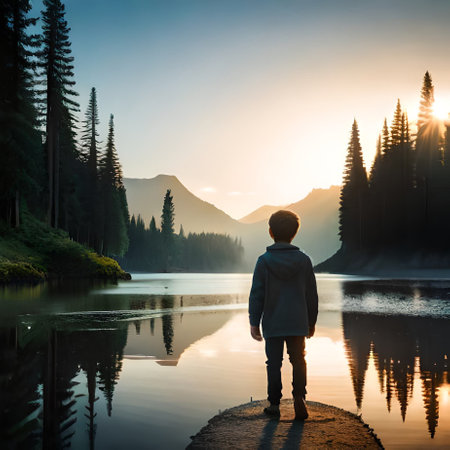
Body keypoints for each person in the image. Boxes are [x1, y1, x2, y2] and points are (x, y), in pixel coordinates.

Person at [248, 210, 318, 420]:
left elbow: (256, 295)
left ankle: (274, 404)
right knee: (298, 360)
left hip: (273, 322)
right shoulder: (304, 261)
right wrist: (311, 322)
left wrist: (254, 322)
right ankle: (299, 398)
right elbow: (311, 296)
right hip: (298, 322)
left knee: (274, 363)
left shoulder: (264, 261)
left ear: (271, 232)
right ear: (294, 234)